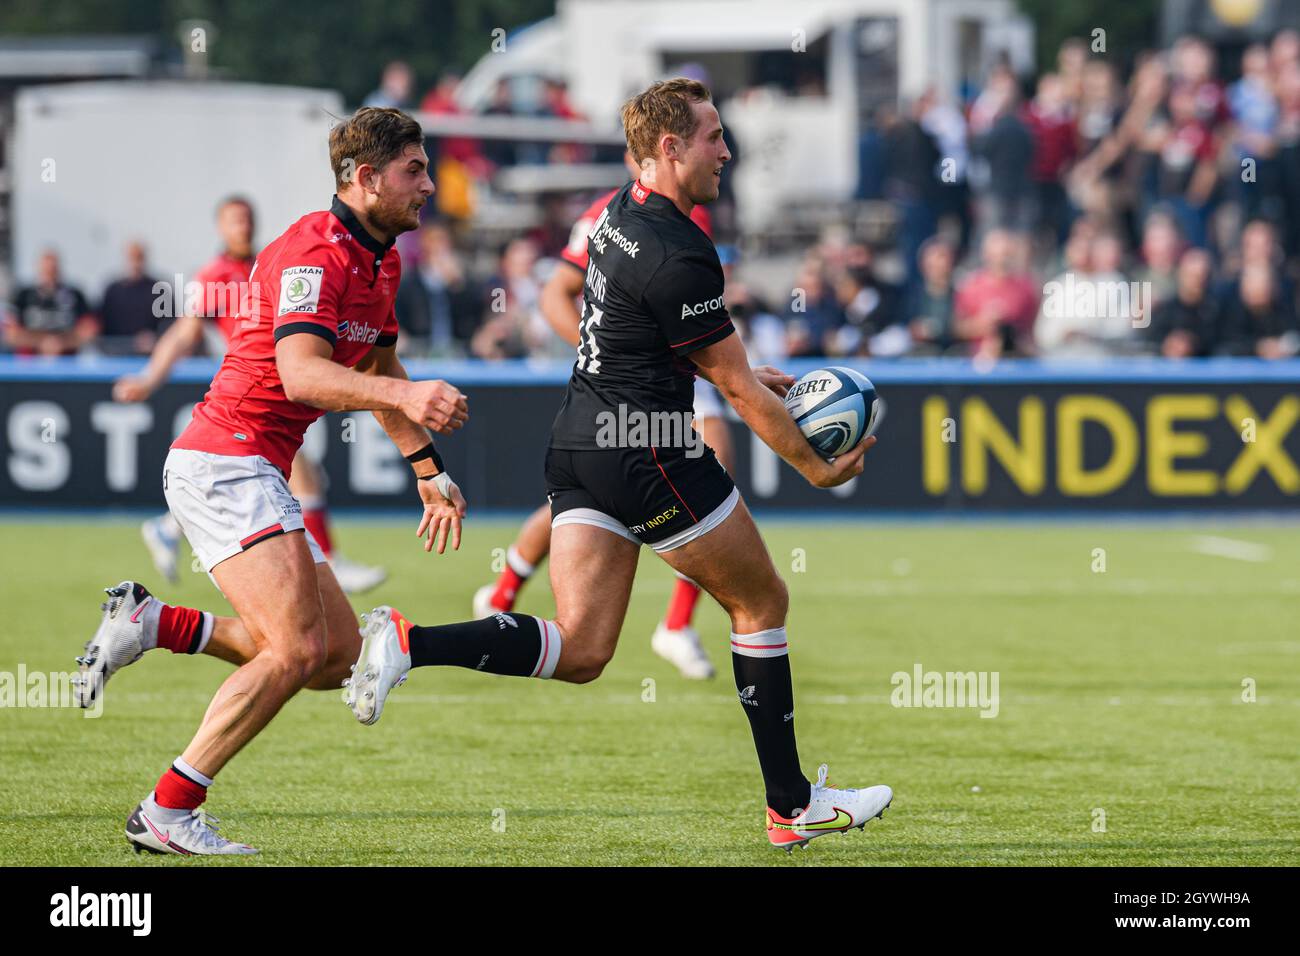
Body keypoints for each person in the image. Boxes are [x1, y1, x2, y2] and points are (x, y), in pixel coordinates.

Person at [343, 79, 892, 851]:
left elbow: (676, 344)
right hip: (649, 448)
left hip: (578, 443)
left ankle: (411, 642)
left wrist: (746, 370)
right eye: (712, 137)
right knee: (761, 601)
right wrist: (815, 467)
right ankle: (791, 805)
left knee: (585, 648)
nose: (726, 151)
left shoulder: (616, 218)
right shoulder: (682, 250)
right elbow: (726, 380)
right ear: (670, 148)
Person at [75, 108, 469, 855]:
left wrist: (425, 467)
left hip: (254, 466)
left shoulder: (382, 259)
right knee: (291, 651)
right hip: (226, 460)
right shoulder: (313, 252)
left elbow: (381, 370)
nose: (428, 185)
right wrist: (409, 399)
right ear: (365, 178)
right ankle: (167, 808)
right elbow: (300, 373)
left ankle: (154, 624)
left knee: (334, 658)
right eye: (414, 170)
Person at [471, 150, 727, 679]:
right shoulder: (607, 216)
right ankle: (502, 593)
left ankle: (677, 624)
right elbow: (555, 295)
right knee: (596, 494)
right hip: (634, 381)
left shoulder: (691, 210)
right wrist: (604, 355)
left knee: (712, 463)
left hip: (686, 368)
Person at [112, 197, 386, 593]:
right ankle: (330, 563)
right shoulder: (215, 275)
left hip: (281, 390)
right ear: (220, 227)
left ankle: (168, 527)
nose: (243, 226)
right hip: (251, 393)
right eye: (235, 220)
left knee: (287, 475)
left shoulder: (271, 260)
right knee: (300, 474)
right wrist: (149, 378)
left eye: (248, 219)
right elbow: (184, 333)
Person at [5, 250, 97, 356]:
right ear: (38, 269)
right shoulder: (23, 295)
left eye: (53, 270)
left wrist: (61, 343)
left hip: (67, 362)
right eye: (46, 270)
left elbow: (89, 331)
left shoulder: (75, 295)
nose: (50, 274)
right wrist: (41, 343)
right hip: (29, 364)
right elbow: (11, 334)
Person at [97, 241, 161, 355]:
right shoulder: (113, 291)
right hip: (117, 356)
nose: (135, 263)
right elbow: (102, 324)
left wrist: (154, 338)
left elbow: (170, 325)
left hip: (150, 356)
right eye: (132, 258)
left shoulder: (159, 290)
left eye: (139, 258)